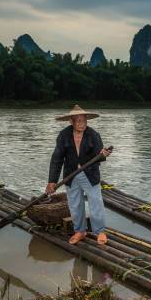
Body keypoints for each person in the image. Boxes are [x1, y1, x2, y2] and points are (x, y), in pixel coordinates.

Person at [46, 105, 111, 245]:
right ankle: (80, 231)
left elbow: (99, 156)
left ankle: (100, 231)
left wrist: (103, 154)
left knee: (96, 202)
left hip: (89, 174)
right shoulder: (64, 135)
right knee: (75, 204)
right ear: (71, 121)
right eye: (78, 121)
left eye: (84, 120)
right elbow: (57, 158)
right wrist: (52, 181)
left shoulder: (93, 134)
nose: (82, 124)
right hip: (71, 175)